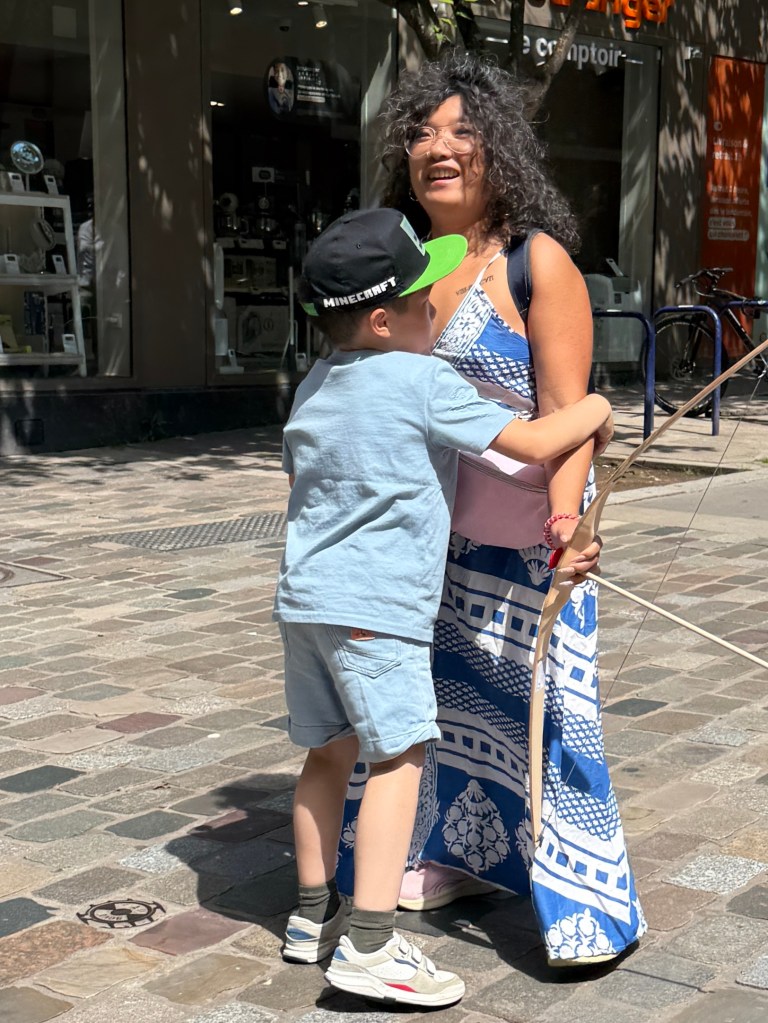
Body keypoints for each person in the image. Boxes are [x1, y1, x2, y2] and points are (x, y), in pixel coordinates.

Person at [336, 52, 646, 967]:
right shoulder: (398, 264)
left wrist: (568, 526)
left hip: (528, 543)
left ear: (499, 149)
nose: (439, 147)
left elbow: (569, 413)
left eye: (463, 131)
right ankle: (452, 855)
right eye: (422, 131)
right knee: (437, 712)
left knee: (552, 718)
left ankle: (588, 907)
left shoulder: (533, 261)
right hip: (424, 543)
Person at [273, 206, 615, 1006]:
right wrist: (597, 408)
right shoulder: (423, 379)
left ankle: (310, 915)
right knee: (399, 758)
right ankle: (370, 944)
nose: (438, 312)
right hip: (379, 609)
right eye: (425, 303)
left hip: (305, 603)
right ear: (385, 321)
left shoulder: (314, 384)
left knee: (327, 754)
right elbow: (532, 441)